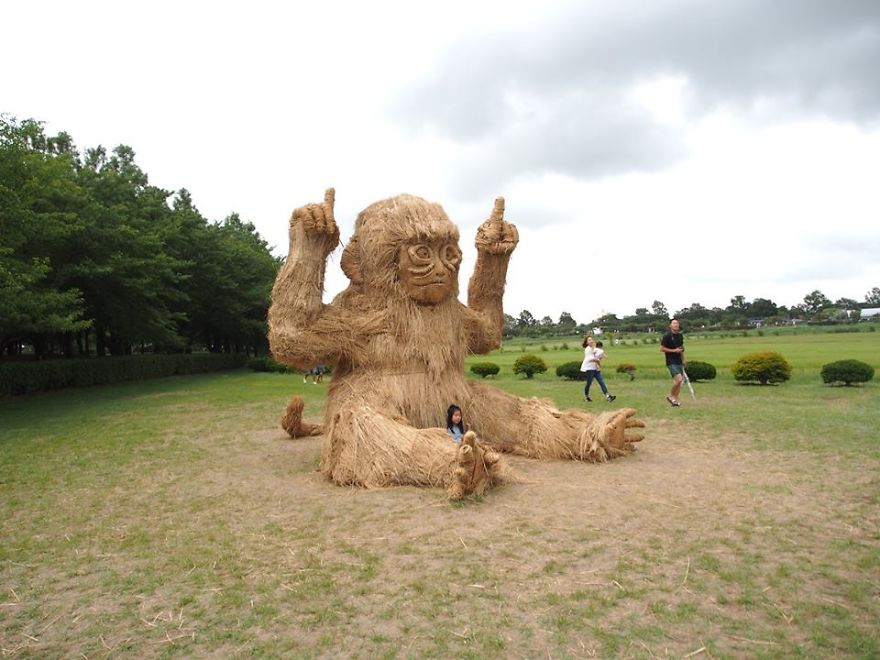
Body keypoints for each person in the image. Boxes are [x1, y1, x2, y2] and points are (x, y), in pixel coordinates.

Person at [579, 336, 616, 403]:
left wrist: (604, 355)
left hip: (595, 369)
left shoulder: (593, 348)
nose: (591, 341)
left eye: (591, 339)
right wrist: (598, 363)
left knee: (601, 382)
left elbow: (599, 351)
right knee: (589, 383)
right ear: (587, 342)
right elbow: (591, 359)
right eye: (589, 340)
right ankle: (586, 397)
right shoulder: (587, 349)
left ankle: (608, 396)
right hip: (589, 368)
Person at [660, 318, 685, 407]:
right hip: (671, 361)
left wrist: (683, 360)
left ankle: (675, 400)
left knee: (679, 382)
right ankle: (671, 396)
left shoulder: (680, 336)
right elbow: (662, 349)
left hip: (679, 361)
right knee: (679, 379)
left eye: (677, 323)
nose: (676, 325)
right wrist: (674, 350)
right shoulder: (666, 336)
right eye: (674, 323)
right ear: (670, 325)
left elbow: (681, 348)